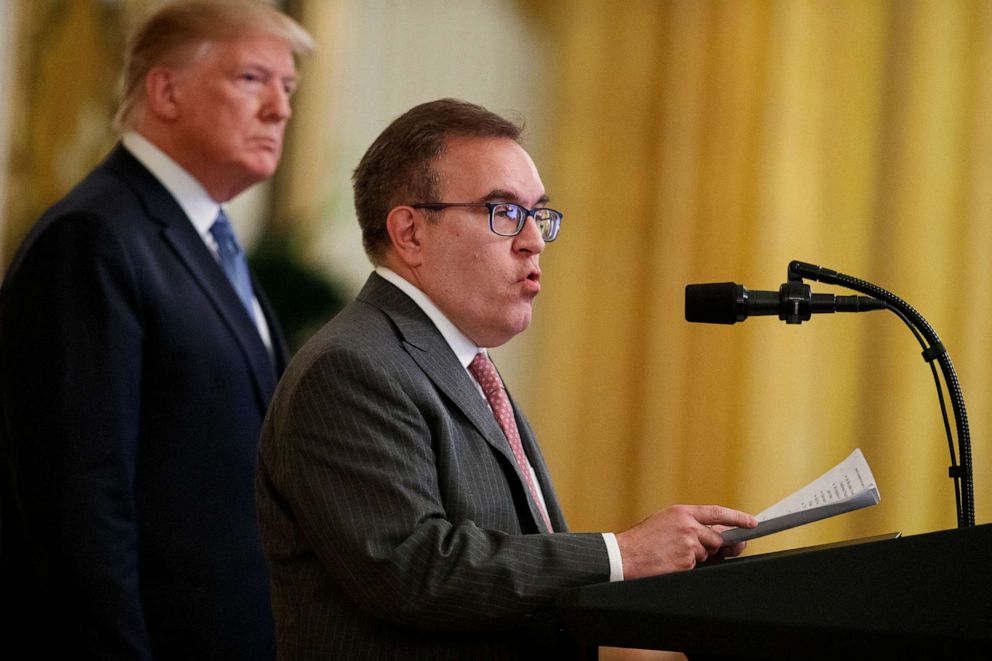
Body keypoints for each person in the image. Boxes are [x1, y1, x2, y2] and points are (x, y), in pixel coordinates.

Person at [255, 98, 757, 659]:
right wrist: (622, 554)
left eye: (538, 215)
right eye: (503, 212)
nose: (534, 241)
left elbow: (510, 565)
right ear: (410, 233)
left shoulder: (465, 364)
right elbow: (414, 570)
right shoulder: (353, 366)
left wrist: (663, 567)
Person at [0, 2, 313, 658]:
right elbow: (80, 504)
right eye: (253, 78)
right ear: (166, 89)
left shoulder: (211, 245)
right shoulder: (94, 237)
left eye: (288, 88)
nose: (280, 109)